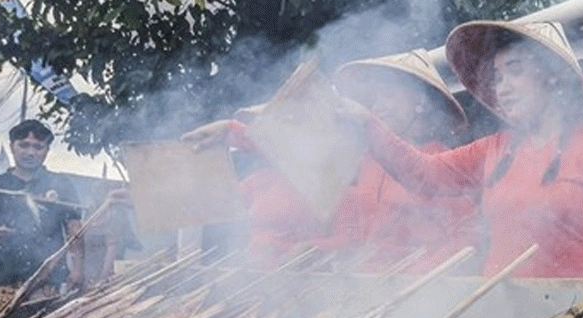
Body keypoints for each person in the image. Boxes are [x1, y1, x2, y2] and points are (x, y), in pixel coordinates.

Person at [360, 20, 583, 279]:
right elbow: (424, 175)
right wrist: (366, 124)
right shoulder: (494, 149)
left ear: (551, 75)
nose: (503, 88)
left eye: (515, 71)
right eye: (497, 77)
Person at [183, 50, 476, 269]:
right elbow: (301, 153)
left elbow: (463, 243)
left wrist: (413, 281)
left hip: (414, 301)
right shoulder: (368, 161)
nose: (377, 107)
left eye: (388, 96)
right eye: (374, 99)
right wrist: (231, 132)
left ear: (421, 102)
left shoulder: (443, 165)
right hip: (360, 295)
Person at [0, 119, 84, 311]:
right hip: (2, 281)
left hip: (50, 282)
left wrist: (78, 269)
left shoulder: (60, 184)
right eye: (23, 145)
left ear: (47, 150)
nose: (30, 152)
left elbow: (75, 228)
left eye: (38, 147)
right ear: (12, 147)